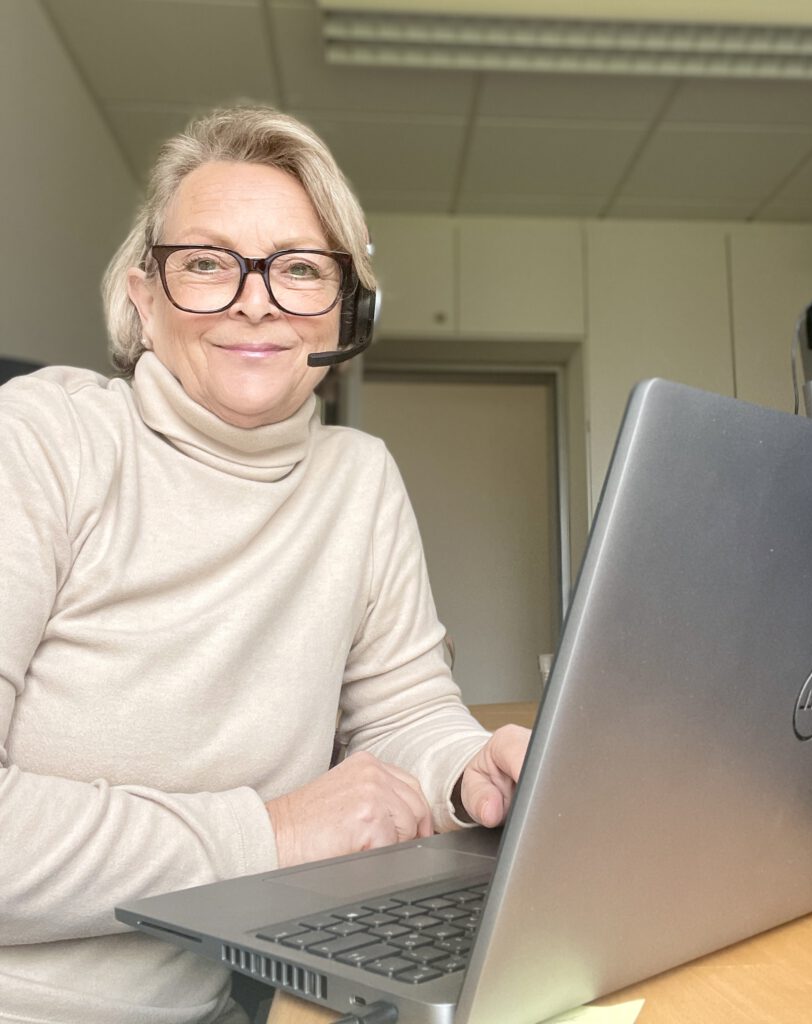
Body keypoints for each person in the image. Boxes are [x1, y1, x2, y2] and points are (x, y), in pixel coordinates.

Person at [0, 106, 530, 1024]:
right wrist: (273, 833)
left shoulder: (357, 480)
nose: (256, 300)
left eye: (299, 269)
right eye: (206, 262)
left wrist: (466, 766)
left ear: (342, 308)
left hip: (227, 1003)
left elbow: (401, 709)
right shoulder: (41, 441)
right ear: (142, 295)